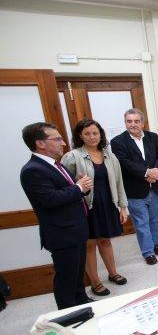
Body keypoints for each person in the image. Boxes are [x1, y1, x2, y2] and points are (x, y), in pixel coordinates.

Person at [20, 122, 93, 309]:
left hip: (75, 229)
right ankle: (68, 313)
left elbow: (65, 192)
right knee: (66, 278)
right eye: (58, 139)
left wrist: (78, 187)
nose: (63, 143)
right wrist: (78, 188)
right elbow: (50, 199)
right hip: (62, 234)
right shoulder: (33, 170)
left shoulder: (55, 165)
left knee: (77, 274)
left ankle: (82, 303)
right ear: (40, 143)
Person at [61, 119, 128, 296]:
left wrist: (122, 206)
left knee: (105, 240)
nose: (92, 137)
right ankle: (95, 282)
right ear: (80, 136)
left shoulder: (110, 156)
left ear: (101, 135)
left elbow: (119, 183)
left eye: (95, 133)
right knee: (89, 244)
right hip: (85, 206)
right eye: (87, 133)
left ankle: (113, 273)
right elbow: (64, 186)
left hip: (107, 203)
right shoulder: (72, 157)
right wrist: (79, 184)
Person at [111, 108, 158, 265]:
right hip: (135, 191)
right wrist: (147, 172)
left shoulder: (152, 137)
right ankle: (148, 252)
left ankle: (155, 245)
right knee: (141, 223)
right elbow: (125, 163)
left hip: (155, 187)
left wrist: (157, 172)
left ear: (142, 123)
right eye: (129, 121)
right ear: (125, 123)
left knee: (155, 221)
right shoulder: (117, 142)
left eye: (136, 121)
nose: (133, 124)